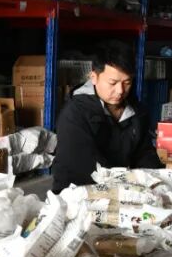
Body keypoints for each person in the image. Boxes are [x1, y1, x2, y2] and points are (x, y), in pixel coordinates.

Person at [51, 41, 161, 194]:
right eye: (112, 83)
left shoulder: (137, 112)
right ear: (94, 77)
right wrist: (128, 183)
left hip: (121, 188)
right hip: (78, 192)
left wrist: (155, 181)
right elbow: (82, 166)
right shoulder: (74, 113)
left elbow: (145, 154)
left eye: (127, 83)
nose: (120, 90)